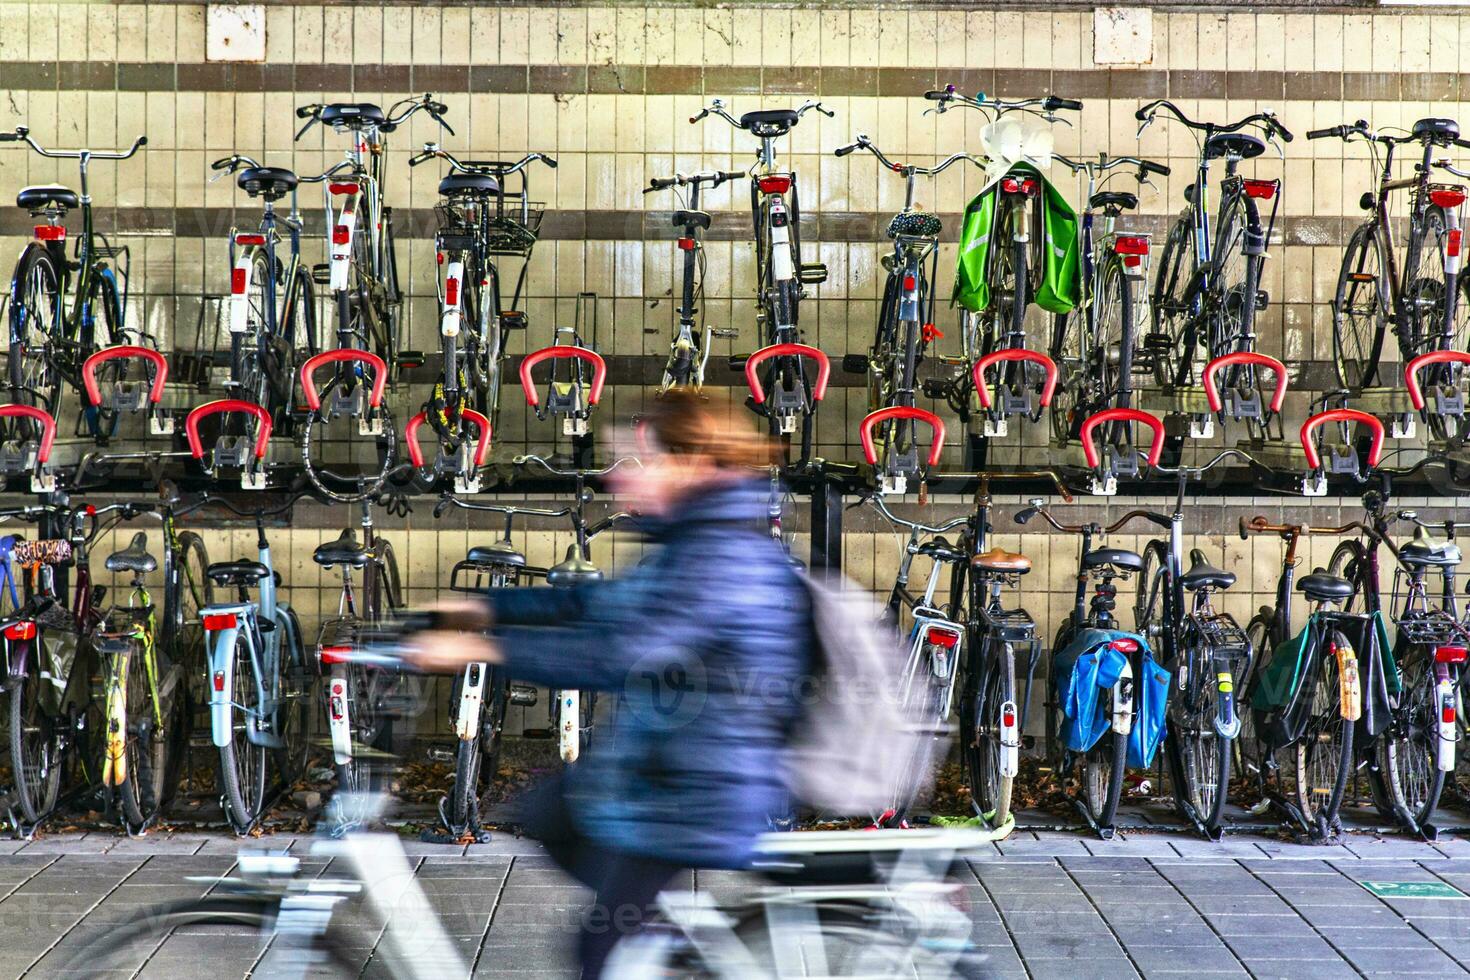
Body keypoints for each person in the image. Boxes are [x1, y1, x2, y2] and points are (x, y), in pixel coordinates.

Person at [402, 388, 811, 978]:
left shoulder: (718, 552)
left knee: (597, 947)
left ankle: (644, 937)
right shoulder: (693, 539)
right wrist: (484, 609)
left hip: (696, 787)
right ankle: (659, 940)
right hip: (663, 768)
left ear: (691, 462)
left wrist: (484, 647)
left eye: (641, 461)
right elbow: (600, 606)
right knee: (549, 813)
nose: (623, 478)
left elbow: (622, 651)